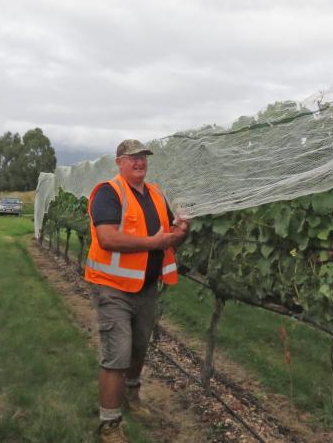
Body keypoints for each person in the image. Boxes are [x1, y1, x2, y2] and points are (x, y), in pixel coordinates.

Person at [85, 139, 190, 442]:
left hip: (145, 287)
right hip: (112, 287)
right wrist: (153, 242)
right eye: (132, 157)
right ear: (119, 162)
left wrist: (182, 230)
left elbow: (170, 239)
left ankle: (132, 395)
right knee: (117, 353)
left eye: (143, 157)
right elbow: (107, 238)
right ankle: (110, 423)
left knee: (139, 348)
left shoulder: (157, 195)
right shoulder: (108, 193)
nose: (139, 162)